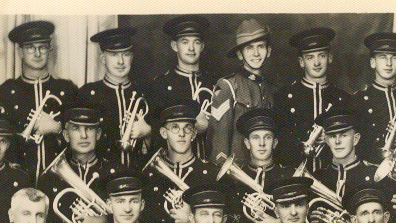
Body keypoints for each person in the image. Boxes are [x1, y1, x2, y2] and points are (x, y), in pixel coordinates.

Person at [0, 20, 77, 178]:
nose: (37, 54)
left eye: (42, 47)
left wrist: (58, 129)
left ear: (50, 50)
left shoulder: (67, 89)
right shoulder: (7, 90)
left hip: (60, 180)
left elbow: (82, 139)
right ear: (20, 52)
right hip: (19, 180)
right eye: (30, 48)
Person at [36, 104, 119, 223]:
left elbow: (133, 215)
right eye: (76, 129)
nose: (84, 135)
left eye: (89, 128)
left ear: (98, 134)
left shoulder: (115, 173)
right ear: (66, 136)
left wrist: (104, 220)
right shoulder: (49, 179)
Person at [142, 100, 219, 223]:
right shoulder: (149, 175)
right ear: (164, 133)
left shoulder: (211, 173)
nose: (182, 134)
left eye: (187, 128)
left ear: (194, 133)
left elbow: (224, 222)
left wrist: (191, 220)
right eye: (175, 128)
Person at [273, 27, 349, 170]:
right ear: (301, 62)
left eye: (321, 55)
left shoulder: (343, 99)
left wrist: (329, 139)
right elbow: (279, 144)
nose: (316, 63)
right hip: (296, 175)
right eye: (310, 57)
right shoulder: (283, 97)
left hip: (332, 176)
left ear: (330, 57)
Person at [78, 27, 151, 168]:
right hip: (100, 175)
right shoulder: (87, 94)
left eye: (125, 54)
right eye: (113, 55)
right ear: (103, 58)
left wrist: (148, 133)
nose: (120, 62)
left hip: (139, 173)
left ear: (132, 57)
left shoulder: (145, 92)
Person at [146, 15, 214, 160]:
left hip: (210, 164)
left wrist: (210, 125)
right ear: (174, 46)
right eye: (185, 42)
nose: (191, 48)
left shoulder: (214, 83)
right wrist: (195, 126)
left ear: (202, 46)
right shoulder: (161, 85)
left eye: (196, 42)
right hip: (173, 165)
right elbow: (157, 131)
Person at [208, 18, 274, 166]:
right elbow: (220, 143)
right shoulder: (228, 86)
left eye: (261, 46)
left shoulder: (269, 89)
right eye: (249, 47)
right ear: (239, 54)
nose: (256, 53)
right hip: (238, 173)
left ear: (268, 51)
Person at [351, 32, 396, 165]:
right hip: (372, 169)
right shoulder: (358, 100)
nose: (389, 63)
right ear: (373, 62)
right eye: (383, 57)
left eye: (394, 58)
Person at [310, 107, 378, 223]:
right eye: (332, 136)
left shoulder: (374, 175)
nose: (337, 141)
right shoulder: (318, 177)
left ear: (356, 139)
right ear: (327, 141)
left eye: (344, 135)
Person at [220, 108, 287, 223]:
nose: (261, 143)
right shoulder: (232, 180)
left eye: (267, 137)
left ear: (275, 143)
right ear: (247, 143)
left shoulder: (288, 176)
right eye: (255, 137)